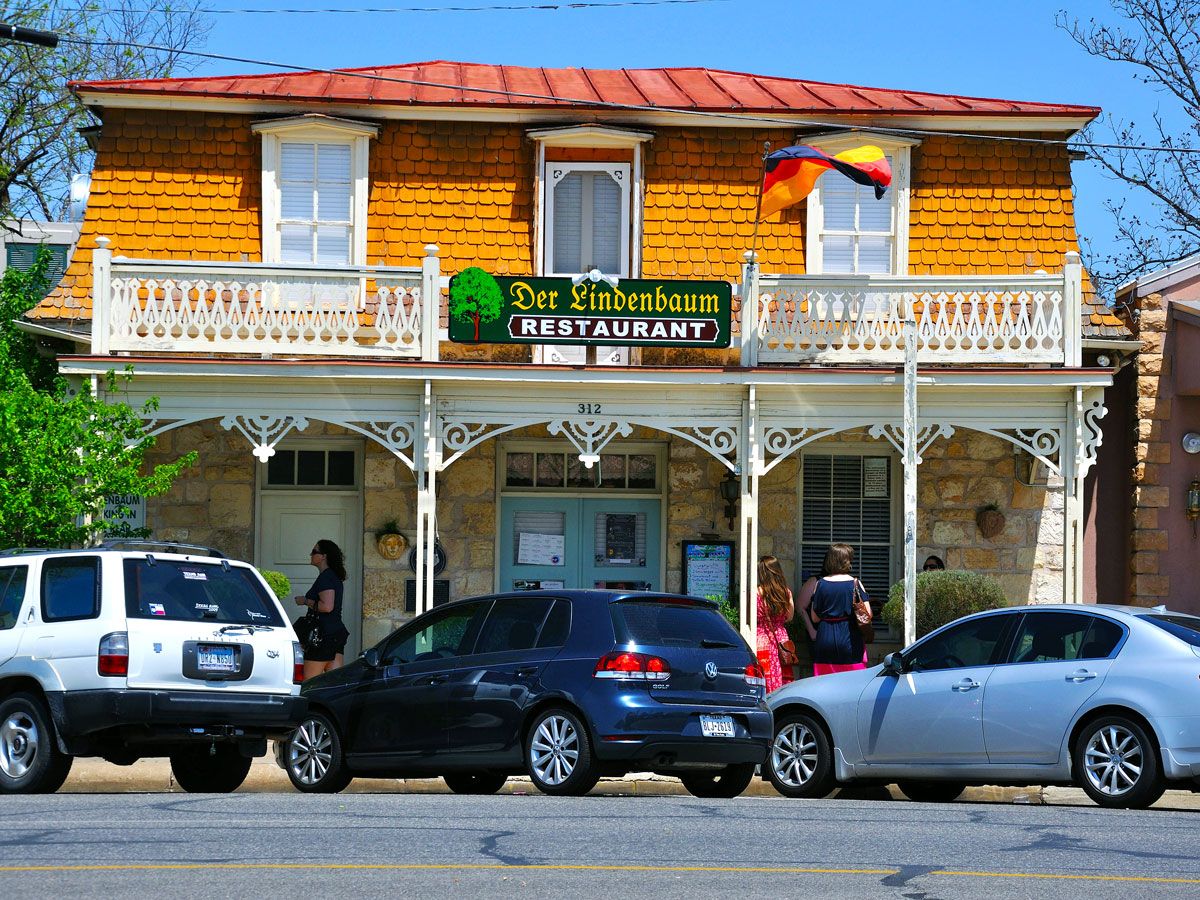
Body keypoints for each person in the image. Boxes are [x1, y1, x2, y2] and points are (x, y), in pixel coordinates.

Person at [803, 543, 870, 676]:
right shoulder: (855, 583)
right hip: (850, 637)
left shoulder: (820, 584)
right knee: (853, 683)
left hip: (825, 638)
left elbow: (815, 617)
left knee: (824, 685)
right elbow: (867, 614)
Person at [295, 538, 349, 679]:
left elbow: (327, 606)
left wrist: (305, 601)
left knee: (310, 684)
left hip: (321, 637)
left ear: (324, 556)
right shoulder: (333, 577)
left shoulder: (326, 578)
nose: (310, 555)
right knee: (333, 685)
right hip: (334, 634)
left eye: (314, 552)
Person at [755, 556, 795, 692]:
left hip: (762, 638)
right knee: (783, 673)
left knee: (763, 676)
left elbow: (751, 617)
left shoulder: (756, 593)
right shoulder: (785, 592)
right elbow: (789, 617)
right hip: (781, 638)